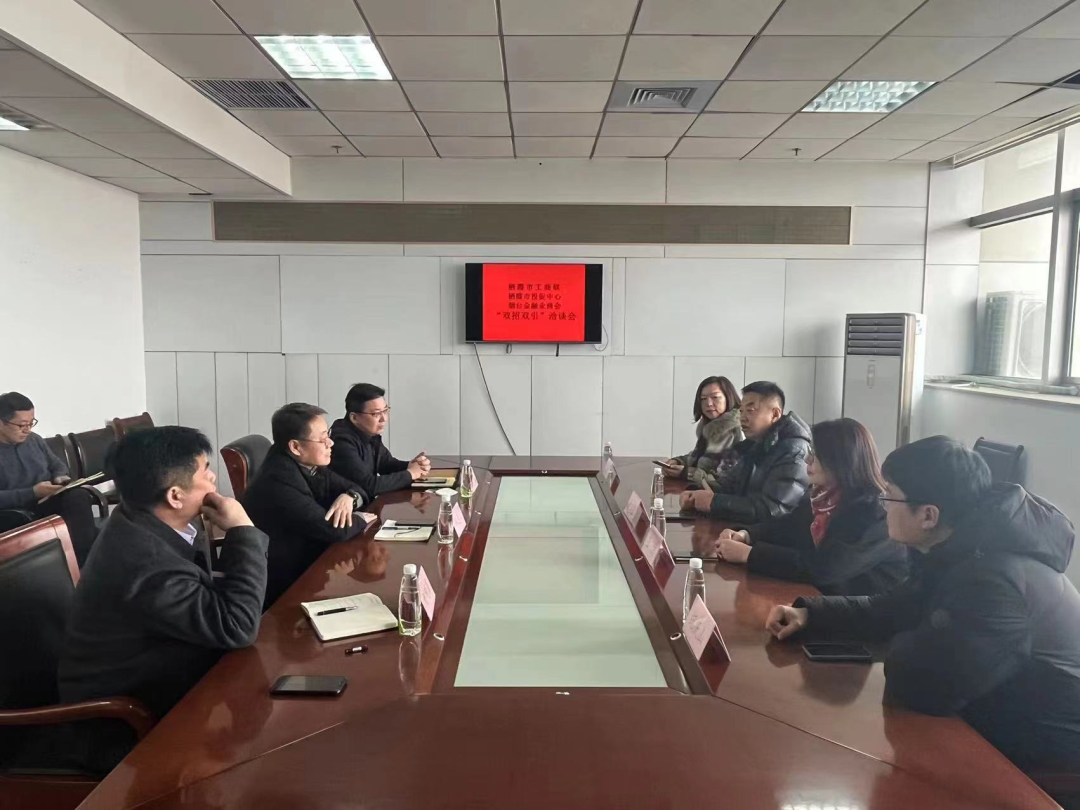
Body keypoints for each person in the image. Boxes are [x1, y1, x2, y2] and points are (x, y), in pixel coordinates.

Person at [765, 436, 1080, 780]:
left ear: (928, 515)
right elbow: (892, 608)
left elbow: (925, 684)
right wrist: (809, 613)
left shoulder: (992, 581)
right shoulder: (956, 549)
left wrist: (909, 637)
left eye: (889, 495)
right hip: (998, 721)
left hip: (1044, 762)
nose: (882, 505)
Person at [58, 427, 267, 768]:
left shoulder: (141, 518)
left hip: (170, 674)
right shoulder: (147, 563)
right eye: (205, 471)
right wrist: (243, 531)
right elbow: (236, 627)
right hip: (124, 722)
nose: (213, 478)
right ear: (175, 496)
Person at [714, 418, 909, 596]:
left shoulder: (875, 513)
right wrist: (746, 535)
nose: (807, 460)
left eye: (814, 455)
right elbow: (788, 527)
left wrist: (748, 554)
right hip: (820, 599)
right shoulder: (823, 495)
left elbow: (823, 568)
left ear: (839, 461)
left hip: (863, 615)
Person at [244, 403, 371, 608]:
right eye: (322, 439)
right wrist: (361, 518)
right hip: (282, 583)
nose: (330, 443)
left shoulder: (308, 463)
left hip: (308, 557)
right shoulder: (279, 479)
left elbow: (359, 488)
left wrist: (349, 497)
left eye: (328, 435)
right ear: (295, 447)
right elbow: (333, 530)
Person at [679, 381, 810, 524]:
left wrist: (713, 502)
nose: (742, 418)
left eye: (750, 410)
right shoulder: (755, 443)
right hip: (743, 530)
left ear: (775, 414)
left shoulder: (794, 451)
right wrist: (695, 493)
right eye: (741, 411)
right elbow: (729, 485)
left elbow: (772, 510)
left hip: (768, 535)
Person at [0, 391, 98, 565]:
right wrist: (33, 492)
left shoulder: (34, 440)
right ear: (2, 422)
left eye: (31, 423)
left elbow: (57, 465)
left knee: (78, 495)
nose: (28, 430)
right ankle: (83, 561)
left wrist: (60, 477)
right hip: (16, 512)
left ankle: (87, 559)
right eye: (22, 425)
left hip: (46, 499)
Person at [329, 383, 430, 496]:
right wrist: (410, 474)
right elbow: (368, 486)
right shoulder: (341, 441)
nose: (384, 419)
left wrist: (413, 466)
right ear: (354, 418)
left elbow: (386, 464)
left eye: (385, 411)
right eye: (376, 414)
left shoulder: (369, 432)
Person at [664, 376, 744, 488]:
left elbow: (725, 481)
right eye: (703, 399)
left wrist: (688, 473)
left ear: (728, 398)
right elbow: (696, 457)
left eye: (715, 397)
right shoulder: (709, 427)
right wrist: (677, 462)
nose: (709, 403)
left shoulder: (736, 431)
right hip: (700, 491)